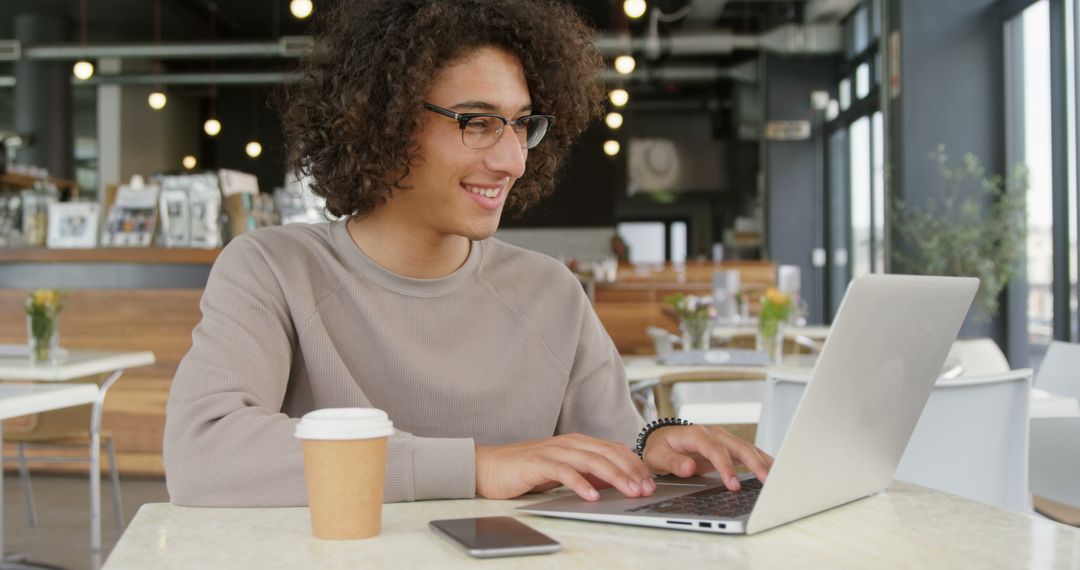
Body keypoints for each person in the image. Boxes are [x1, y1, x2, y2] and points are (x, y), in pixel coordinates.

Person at [163, 0, 772, 507]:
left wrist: (656, 450)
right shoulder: (273, 269)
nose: (511, 160)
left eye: (521, 124)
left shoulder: (550, 291)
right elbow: (204, 454)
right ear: (385, 119)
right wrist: (476, 468)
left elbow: (612, 453)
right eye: (476, 122)